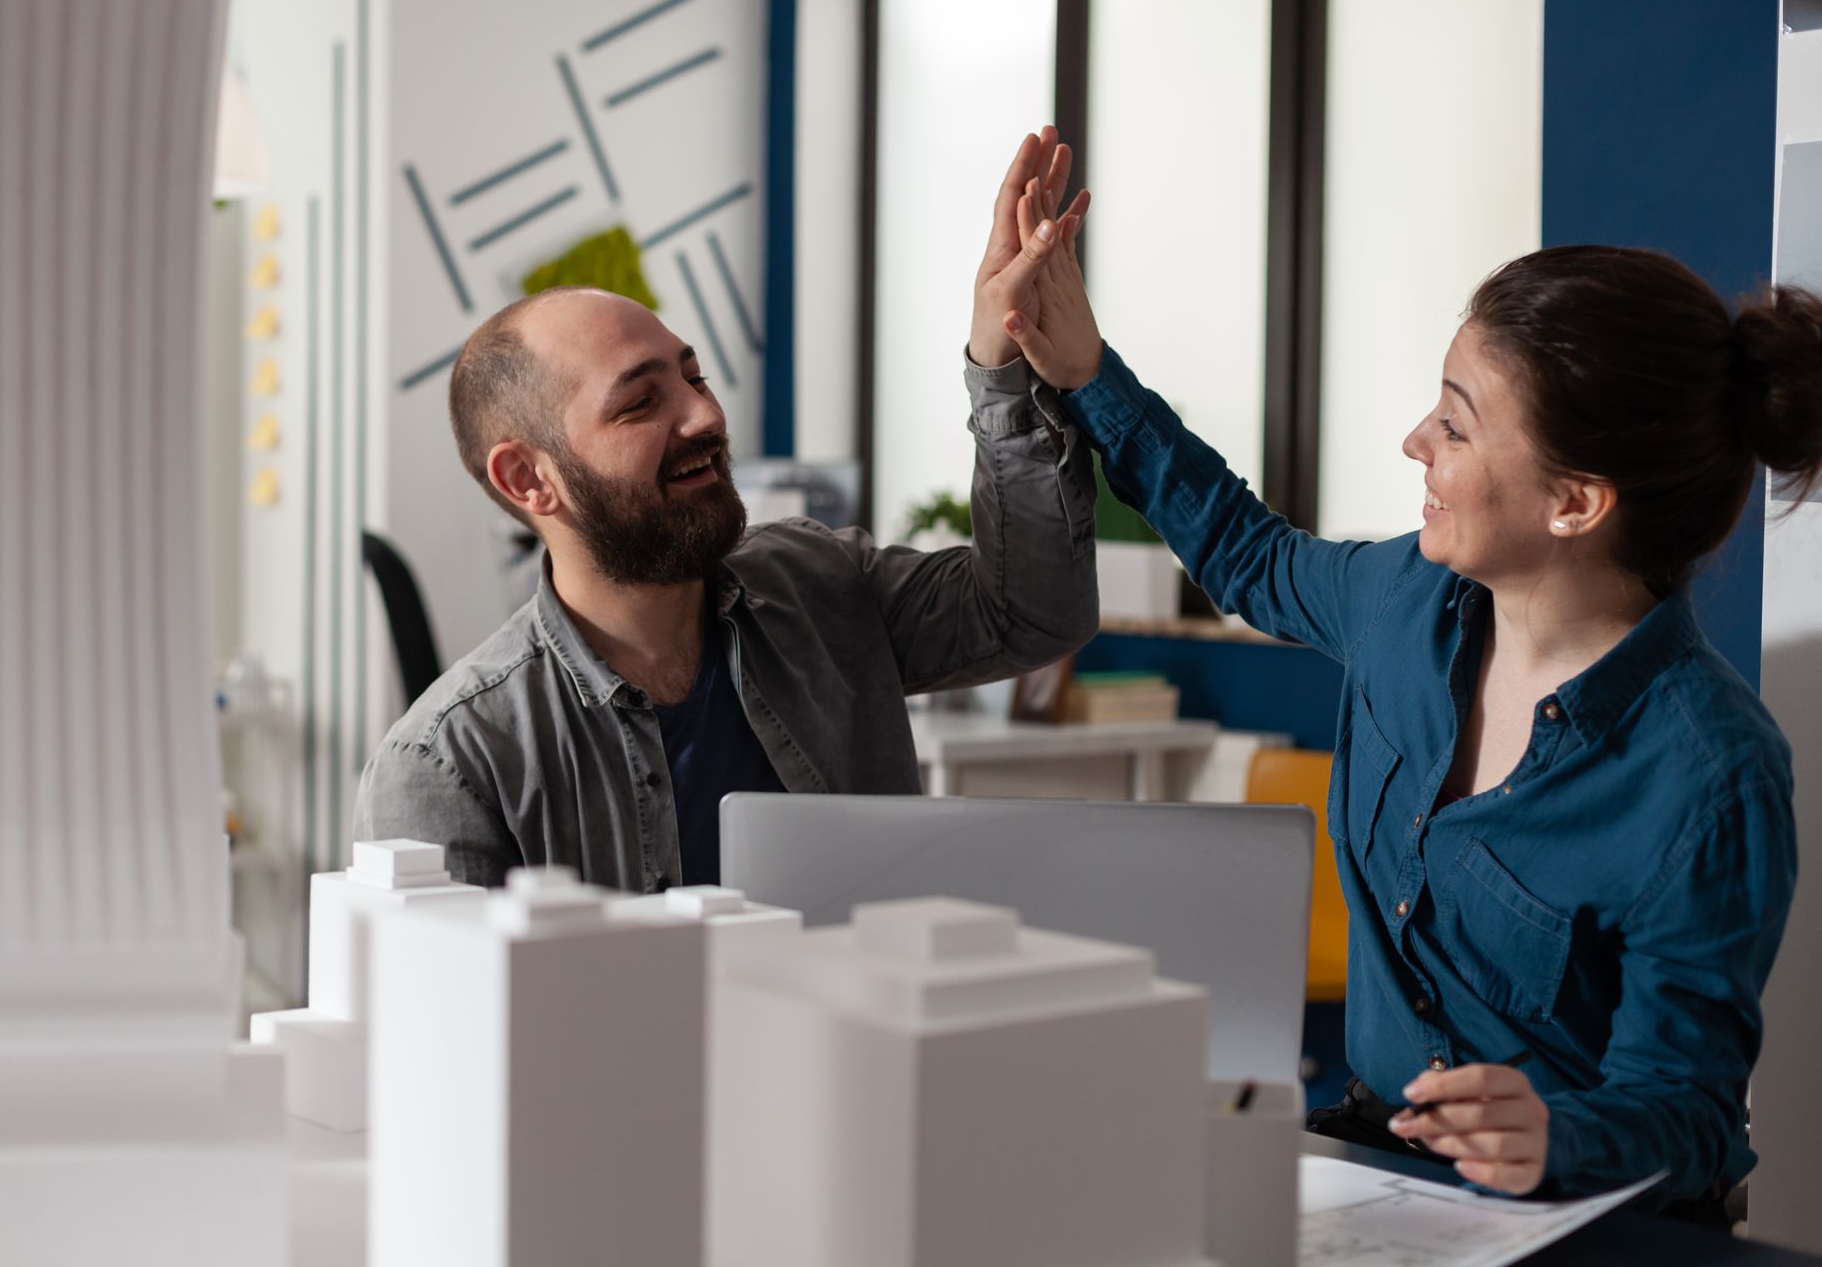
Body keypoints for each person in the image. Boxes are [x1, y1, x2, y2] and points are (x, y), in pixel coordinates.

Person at [998, 163, 1822, 1216]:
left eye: (1457, 423)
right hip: (1372, 1177)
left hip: (1572, 1222)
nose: (1415, 443)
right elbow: (1247, 553)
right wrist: (1085, 370)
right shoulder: (1404, 597)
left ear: (1575, 501)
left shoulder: (1711, 774)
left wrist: (1555, 1134)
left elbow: (1695, 1112)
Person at [353, 131, 1098, 893]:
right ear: (529, 479)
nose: (705, 417)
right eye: (642, 402)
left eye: (695, 378)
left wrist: (1002, 363)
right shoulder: (449, 765)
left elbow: (1035, 615)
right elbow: (454, 1011)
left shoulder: (822, 585)